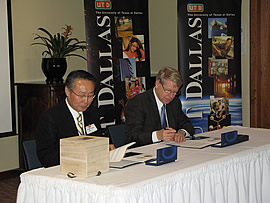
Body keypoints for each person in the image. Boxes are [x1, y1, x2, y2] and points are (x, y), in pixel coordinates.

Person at [36, 70, 102, 167]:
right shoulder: (51, 118)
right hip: (65, 169)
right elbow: (46, 157)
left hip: (92, 165)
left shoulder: (92, 112)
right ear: (67, 91)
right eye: (81, 95)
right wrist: (78, 155)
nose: (86, 101)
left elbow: (98, 138)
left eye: (90, 96)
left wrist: (104, 147)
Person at [125, 67, 194, 147]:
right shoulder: (138, 103)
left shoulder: (174, 102)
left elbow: (187, 124)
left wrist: (181, 132)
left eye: (174, 92)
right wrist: (157, 136)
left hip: (170, 149)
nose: (171, 96)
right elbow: (132, 136)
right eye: (168, 91)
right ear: (157, 84)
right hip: (145, 152)